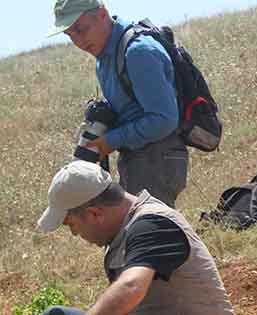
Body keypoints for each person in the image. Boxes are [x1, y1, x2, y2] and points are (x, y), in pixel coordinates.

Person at [37, 160, 235, 315]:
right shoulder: (124, 233)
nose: (74, 233)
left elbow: (131, 287)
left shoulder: (152, 225)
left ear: (95, 214)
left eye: (71, 225)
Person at [47, 0, 187, 207]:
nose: (78, 40)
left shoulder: (138, 52)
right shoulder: (104, 56)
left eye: (81, 29)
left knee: (152, 232)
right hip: (139, 156)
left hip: (157, 158)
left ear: (103, 14)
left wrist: (111, 140)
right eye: (70, 35)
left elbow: (164, 119)